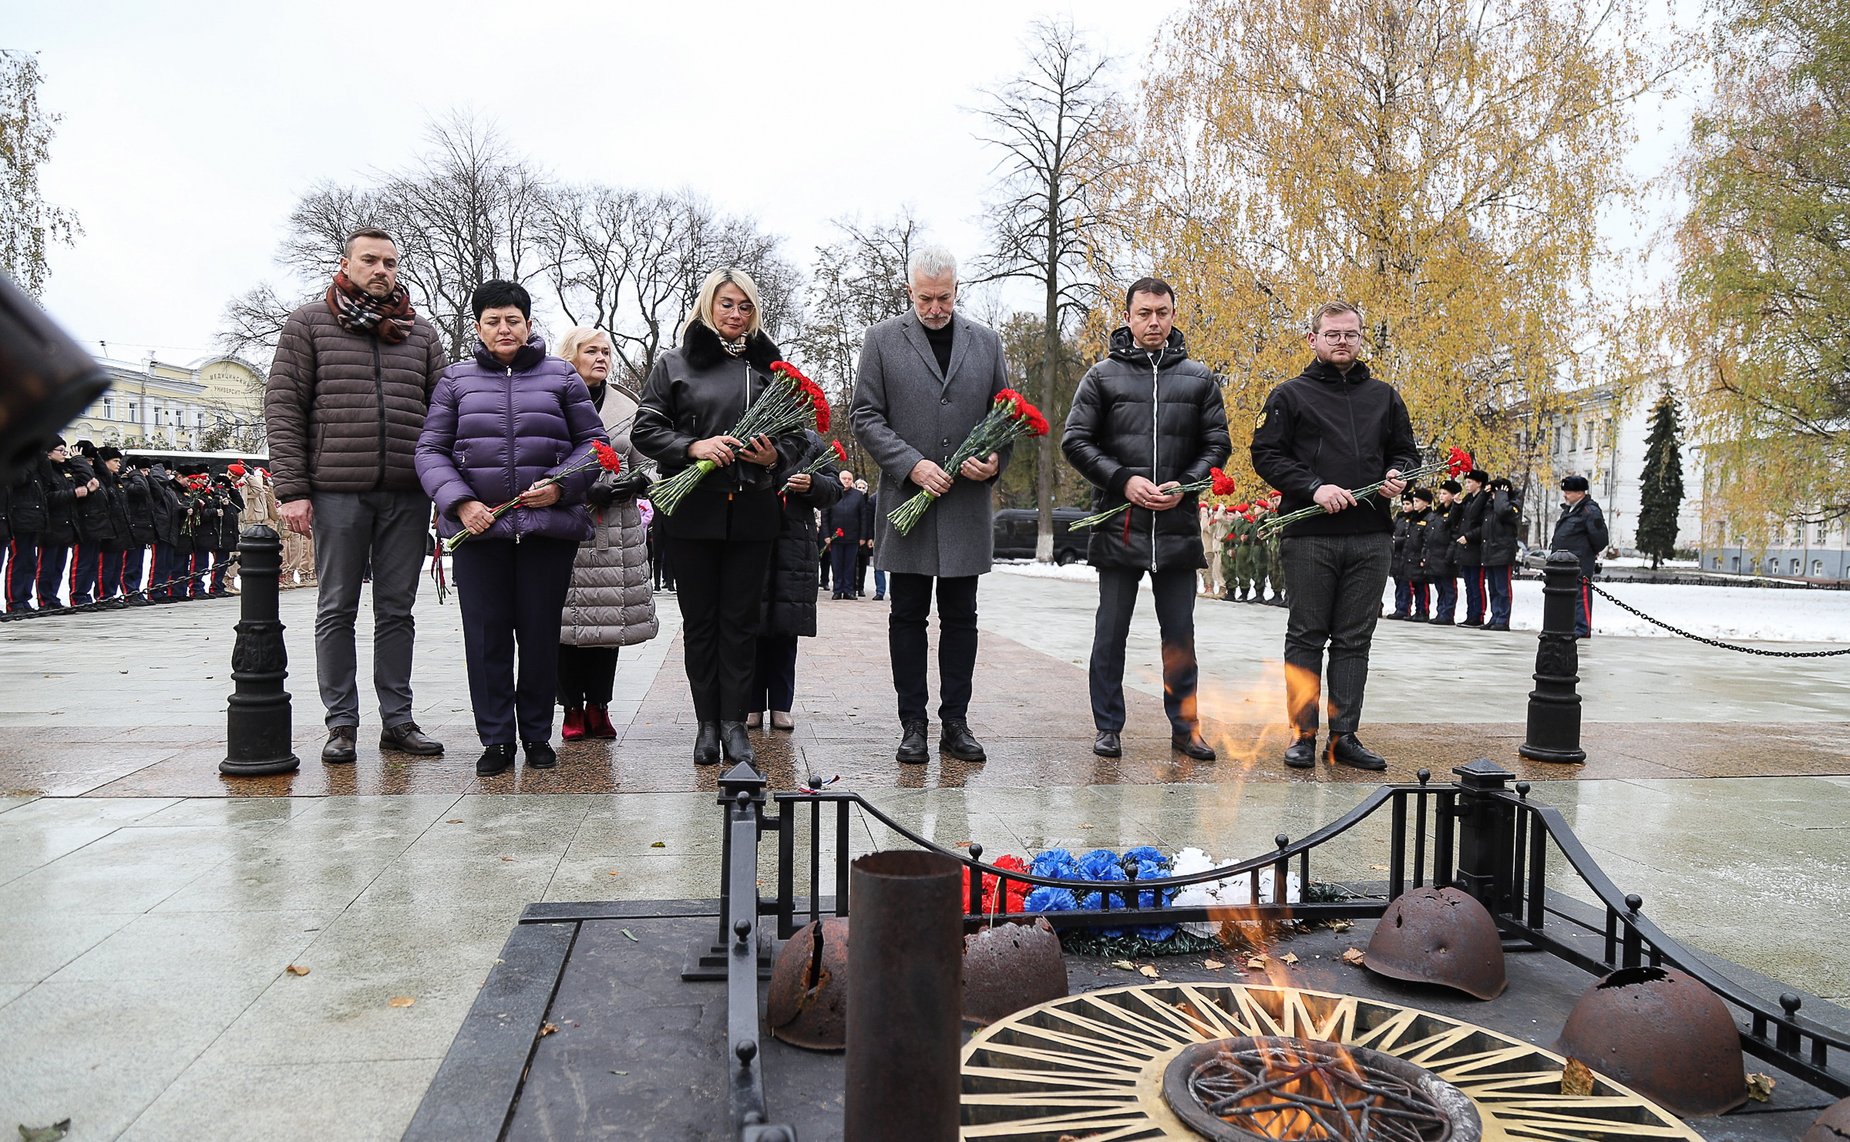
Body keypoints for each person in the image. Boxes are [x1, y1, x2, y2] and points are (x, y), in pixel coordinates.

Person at [265, 227, 448, 764]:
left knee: (397, 611)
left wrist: (443, 486)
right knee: (336, 608)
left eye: (390, 262)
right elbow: (283, 406)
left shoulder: (419, 333)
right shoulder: (308, 324)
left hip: (406, 492)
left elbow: (443, 415)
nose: (382, 270)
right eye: (370, 260)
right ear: (344, 265)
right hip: (336, 490)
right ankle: (341, 723)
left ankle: (397, 720)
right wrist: (293, 489)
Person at [417, 281, 608, 775]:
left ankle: (537, 735)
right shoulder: (455, 381)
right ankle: (497, 739)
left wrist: (561, 487)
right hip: (481, 533)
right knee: (486, 639)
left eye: (513, 320)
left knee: (541, 637)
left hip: (545, 530)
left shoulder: (562, 376)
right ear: (478, 326)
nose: (504, 329)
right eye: (493, 320)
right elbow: (430, 450)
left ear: (528, 323)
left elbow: (594, 444)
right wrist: (460, 503)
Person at [633, 267, 808, 768]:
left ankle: (735, 723)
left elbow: (799, 440)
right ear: (708, 307)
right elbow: (647, 429)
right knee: (700, 623)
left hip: (753, 512)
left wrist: (772, 457)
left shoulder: (771, 369)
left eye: (745, 306)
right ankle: (706, 723)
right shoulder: (675, 363)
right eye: (727, 304)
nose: (736, 314)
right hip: (693, 512)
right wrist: (693, 446)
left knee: (741, 622)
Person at [850, 246, 1012, 765]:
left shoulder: (986, 343)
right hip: (907, 502)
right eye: (925, 298)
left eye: (944, 297)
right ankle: (912, 724)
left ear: (957, 289)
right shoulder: (881, 341)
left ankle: (956, 722)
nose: (935, 307)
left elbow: (1005, 414)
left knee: (962, 617)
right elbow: (866, 417)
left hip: (965, 506)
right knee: (907, 616)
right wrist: (911, 464)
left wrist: (993, 459)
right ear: (910, 291)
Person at [1062, 276, 1231, 760]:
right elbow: (1076, 441)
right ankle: (1108, 726)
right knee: (1110, 631)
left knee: (1179, 635)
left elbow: (1217, 445)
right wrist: (1122, 480)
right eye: (1144, 313)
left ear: (1174, 315)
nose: (1153, 321)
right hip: (1121, 524)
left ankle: (1185, 728)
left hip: (1176, 527)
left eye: (1162, 312)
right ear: (1129, 316)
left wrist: (1188, 482)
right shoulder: (1101, 376)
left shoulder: (1199, 378)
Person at [1251, 300, 1418, 772]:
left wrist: (1398, 474)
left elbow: (1405, 451)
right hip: (1309, 534)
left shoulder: (1384, 397)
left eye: (1351, 334)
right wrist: (1313, 487)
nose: (1342, 341)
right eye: (1333, 334)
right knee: (1306, 634)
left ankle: (1344, 735)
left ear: (1361, 338)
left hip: (1370, 535)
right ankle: (1302, 733)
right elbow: (1266, 454)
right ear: (1313, 339)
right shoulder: (1290, 395)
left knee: (1354, 639)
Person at [553, 327, 659, 744]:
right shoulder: (551, 399)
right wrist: (578, 487)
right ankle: (572, 708)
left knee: (607, 623)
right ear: (571, 355)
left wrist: (636, 483)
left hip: (616, 527)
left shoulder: (625, 405)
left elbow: (647, 458)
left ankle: (600, 704)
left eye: (606, 351)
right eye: (591, 351)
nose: (601, 358)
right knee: (567, 622)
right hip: (568, 520)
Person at [751, 430, 844, 730]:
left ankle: (781, 704)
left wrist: (812, 484)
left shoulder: (810, 440)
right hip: (753, 537)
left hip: (794, 542)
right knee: (752, 625)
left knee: (786, 627)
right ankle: (751, 704)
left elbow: (833, 489)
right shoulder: (751, 428)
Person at [1550, 475, 1608, 638]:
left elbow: (1600, 539)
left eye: (1568, 492)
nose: (1565, 495)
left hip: (1579, 563)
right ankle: (1570, 626)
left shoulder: (1590, 511)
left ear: (1580, 493)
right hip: (1564, 565)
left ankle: (1582, 628)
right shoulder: (1570, 510)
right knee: (1567, 598)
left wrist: (1585, 553)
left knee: (1580, 598)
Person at [1480, 476, 1523, 631]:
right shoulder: (1490, 505)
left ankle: (1503, 618)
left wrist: (1501, 495)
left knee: (1502, 588)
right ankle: (1495, 615)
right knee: (1493, 588)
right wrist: (1486, 495)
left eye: (1495, 493)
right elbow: (1473, 513)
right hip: (1490, 551)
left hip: (1503, 552)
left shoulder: (1513, 504)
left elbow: (1503, 511)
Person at [824, 469, 869, 599]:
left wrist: (862, 536)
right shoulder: (833, 493)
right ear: (839, 479)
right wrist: (826, 535)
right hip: (835, 536)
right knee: (837, 565)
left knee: (850, 565)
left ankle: (849, 590)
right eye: (844, 478)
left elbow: (863, 517)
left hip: (853, 537)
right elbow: (825, 516)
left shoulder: (858, 496)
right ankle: (837, 590)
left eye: (849, 479)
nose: (846, 481)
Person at [1453, 469, 1489, 626]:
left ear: (1479, 483)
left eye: (1469, 482)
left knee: (1477, 584)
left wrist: (1469, 536)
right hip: (1465, 549)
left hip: (1476, 548)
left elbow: (1483, 525)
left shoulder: (1484, 500)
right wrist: (1456, 505)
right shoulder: (1468, 500)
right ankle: (1471, 614)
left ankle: (1478, 615)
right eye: (1466, 482)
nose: (1466, 485)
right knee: (1469, 585)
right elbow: (1456, 521)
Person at [1428, 480, 1461, 624]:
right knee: (1440, 587)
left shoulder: (1455, 511)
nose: (1441, 496)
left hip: (1446, 554)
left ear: (1453, 495)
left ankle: (1447, 614)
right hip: (1435, 554)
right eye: (1440, 493)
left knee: (1448, 587)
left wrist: (1450, 554)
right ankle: (1441, 611)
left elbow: (1454, 534)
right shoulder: (1438, 512)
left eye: (1445, 493)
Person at [1387, 494, 1415, 620]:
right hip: (1397, 556)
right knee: (1398, 584)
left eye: (1408, 504)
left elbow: (1409, 537)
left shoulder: (1414, 519)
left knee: (1405, 585)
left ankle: (1404, 608)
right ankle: (1399, 607)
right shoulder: (1400, 518)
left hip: (1406, 555)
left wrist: (1395, 541)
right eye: (1404, 504)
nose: (1405, 507)